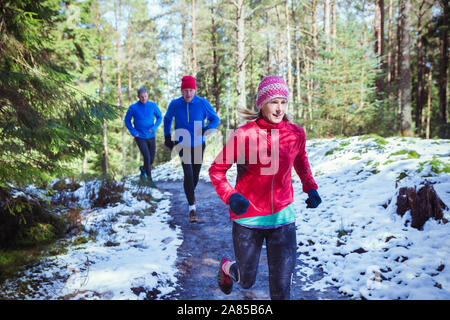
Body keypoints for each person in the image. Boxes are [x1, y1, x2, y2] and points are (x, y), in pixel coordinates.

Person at [208, 76, 322, 300]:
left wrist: (311, 187)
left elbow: (301, 161)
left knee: (281, 290)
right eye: (274, 102)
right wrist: (231, 196)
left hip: (283, 219)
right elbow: (216, 170)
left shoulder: (296, 133)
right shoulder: (243, 135)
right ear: (262, 104)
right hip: (249, 219)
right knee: (246, 279)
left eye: (283, 102)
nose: (279, 109)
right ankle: (226, 267)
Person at [164, 75, 220, 222]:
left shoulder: (202, 103)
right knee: (188, 173)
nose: (188, 94)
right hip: (182, 143)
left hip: (198, 144)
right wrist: (167, 136)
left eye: (191, 90)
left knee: (194, 176)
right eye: (185, 91)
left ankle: (191, 195)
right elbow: (167, 119)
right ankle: (192, 208)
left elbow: (215, 119)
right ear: (182, 91)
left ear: (194, 90)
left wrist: (207, 129)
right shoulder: (175, 104)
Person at [125, 87, 162, 188]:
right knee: (147, 156)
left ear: (147, 95)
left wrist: (154, 128)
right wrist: (133, 132)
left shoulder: (153, 105)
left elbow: (159, 117)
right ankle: (150, 180)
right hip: (140, 136)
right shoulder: (133, 107)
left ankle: (143, 169)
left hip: (151, 135)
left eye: (145, 96)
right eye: (141, 97)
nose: (143, 98)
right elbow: (127, 120)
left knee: (151, 159)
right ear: (138, 97)